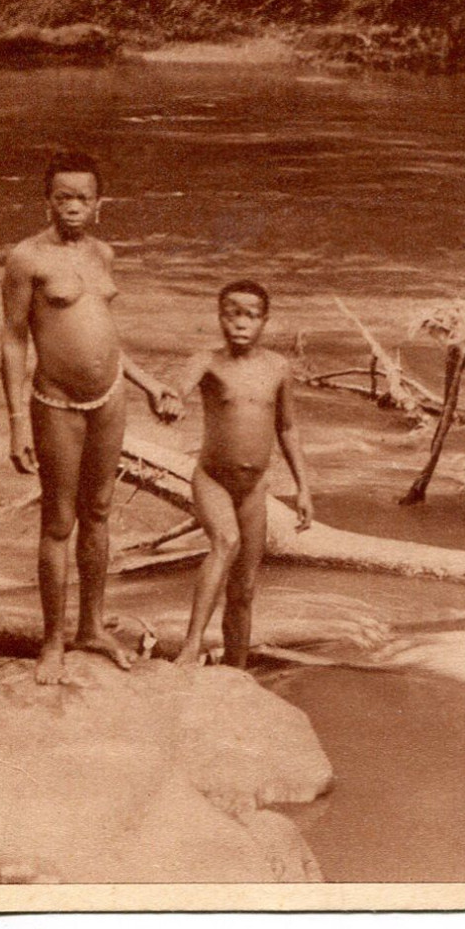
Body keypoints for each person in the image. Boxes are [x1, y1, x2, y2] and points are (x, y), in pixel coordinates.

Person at [1, 150, 180, 684]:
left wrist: (150, 385)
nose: (73, 207)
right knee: (58, 522)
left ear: (99, 204)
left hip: (111, 398)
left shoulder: (104, 254)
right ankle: (52, 640)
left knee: (99, 512)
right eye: (63, 197)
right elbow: (13, 341)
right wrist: (14, 419)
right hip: (55, 403)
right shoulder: (26, 259)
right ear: (47, 201)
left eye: (83, 198)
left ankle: (92, 628)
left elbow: (105, 337)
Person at [173, 280, 313, 669]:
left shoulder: (277, 368)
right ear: (219, 317)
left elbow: (287, 428)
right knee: (225, 541)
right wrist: (172, 401)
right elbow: (180, 388)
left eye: (251, 315)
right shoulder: (208, 361)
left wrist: (303, 488)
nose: (240, 323)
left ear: (264, 321)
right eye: (232, 313)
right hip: (212, 478)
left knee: (245, 588)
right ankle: (190, 648)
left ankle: (237, 668)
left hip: (254, 489)